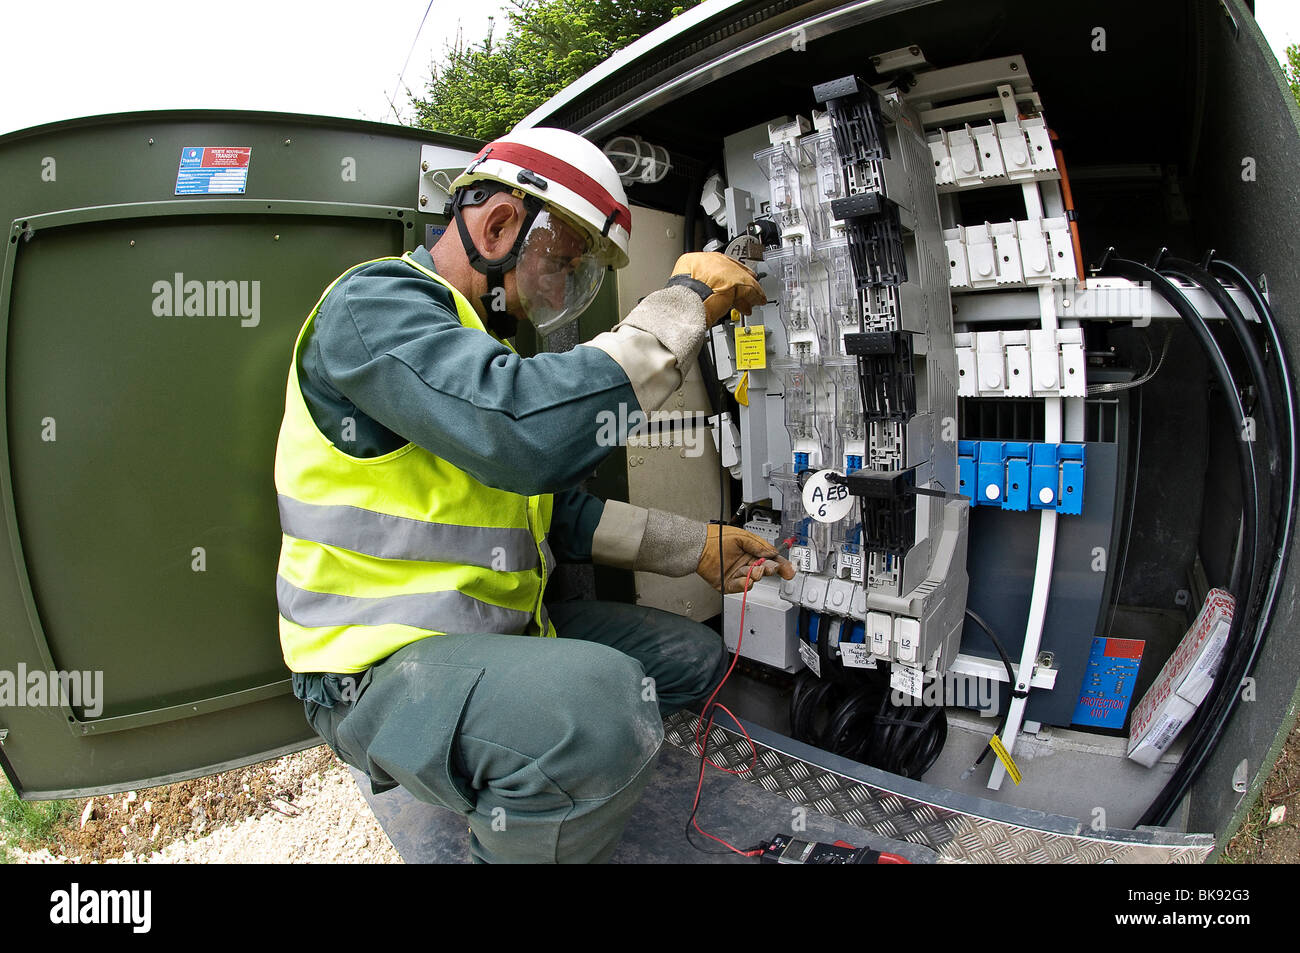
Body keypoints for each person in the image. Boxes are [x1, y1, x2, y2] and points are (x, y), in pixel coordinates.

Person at [273, 126, 793, 863]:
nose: (560, 288)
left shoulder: (477, 350)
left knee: (690, 657)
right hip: (373, 671)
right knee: (600, 706)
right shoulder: (375, 306)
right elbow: (526, 435)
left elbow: (556, 513)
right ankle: (532, 784)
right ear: (498, 223)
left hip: (497, 640)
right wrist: (683, 306)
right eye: (563, 260)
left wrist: (696, 547)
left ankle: (522, 773)